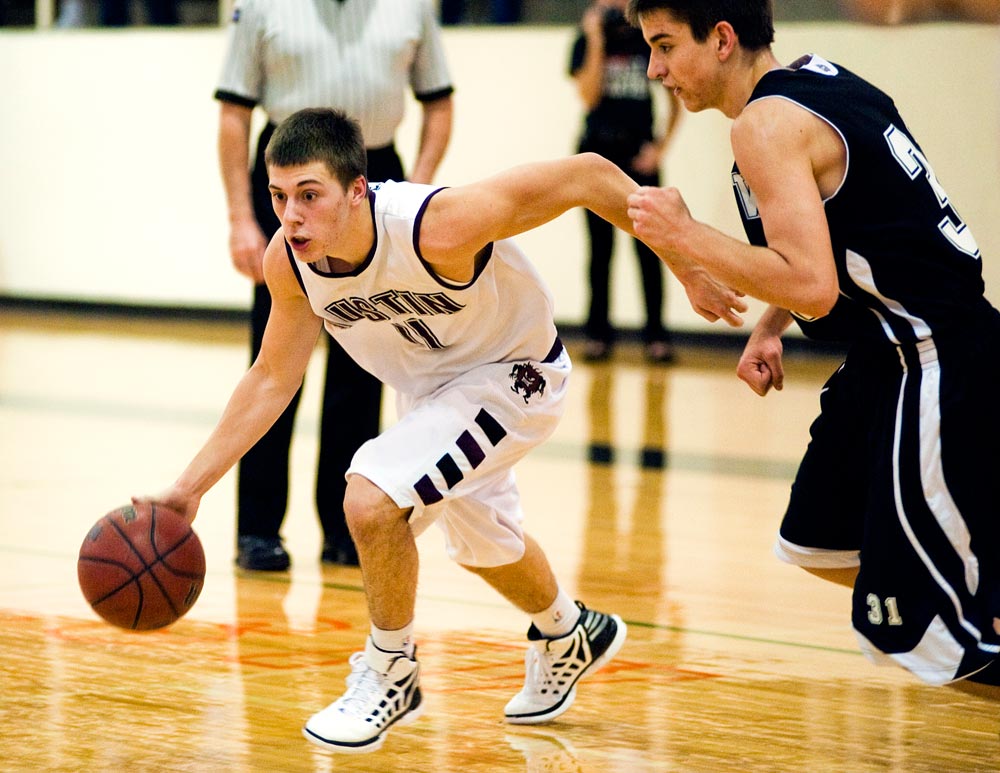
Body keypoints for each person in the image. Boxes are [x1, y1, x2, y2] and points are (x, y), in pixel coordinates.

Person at [135, 107, 745, 753]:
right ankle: (568, 631)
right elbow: (270, 379)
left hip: (515, 375)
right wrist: (188, 489)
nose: (291, 216)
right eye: (279, 196)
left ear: (357, 189)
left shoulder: (436, 226)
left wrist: (687, 265)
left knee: (370, 499)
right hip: (433, 396)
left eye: (310, 195)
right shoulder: (289, 262)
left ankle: (391, 670)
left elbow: (588, 175)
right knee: (484, 544)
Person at [625, 0, 1000, 698]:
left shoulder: (765, 125)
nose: (654, 69)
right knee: (819, 539)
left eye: (665, 45)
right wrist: (771, 323)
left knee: (925, 628)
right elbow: (839, 235)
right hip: (887, 355)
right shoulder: (823, 81)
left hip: (933, 356)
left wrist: (684, 234)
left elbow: (813, 285)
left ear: (722, 39)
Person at [214, 0, 454, 570]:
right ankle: (258, 529)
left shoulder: (412, 7)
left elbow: (440, 104)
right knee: (275, 362)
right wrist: (241, 217)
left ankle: (345, 529)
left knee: (363, 368)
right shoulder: (261, 7)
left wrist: (414, 197)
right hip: (291, 176)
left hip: (372, 174)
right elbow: (233, 115)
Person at [570, 0, 682, 363]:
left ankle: (656, 337)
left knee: (651, 249)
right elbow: (588, 97)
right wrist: (595, 38)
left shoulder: (644, 38)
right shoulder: (586, 38)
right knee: (599, 252)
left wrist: (660, 149)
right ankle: (598, 336)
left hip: (639, 157)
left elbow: (675, 97)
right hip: (597, 160)